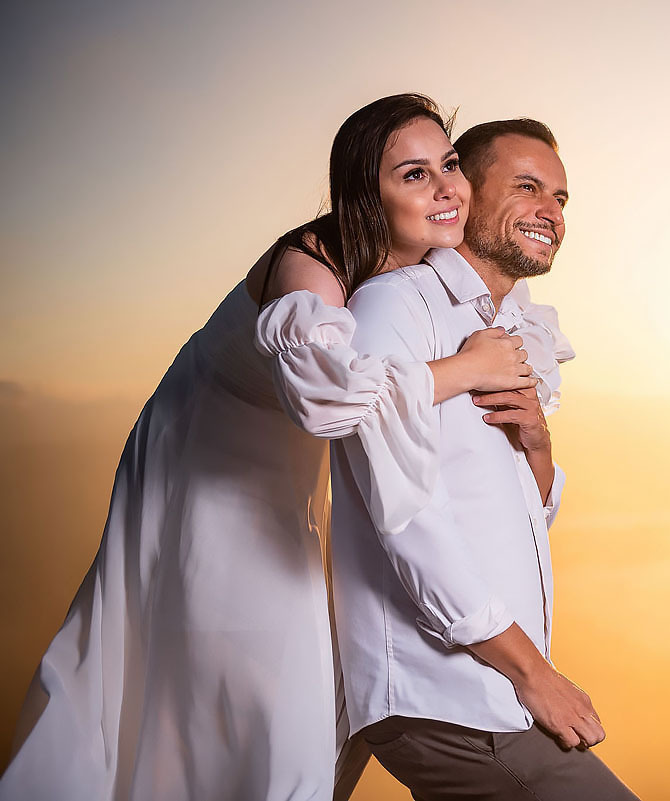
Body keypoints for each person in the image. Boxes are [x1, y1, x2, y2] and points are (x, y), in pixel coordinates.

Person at [0, 94, 563, 801]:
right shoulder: (313, 263)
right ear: (367, 192)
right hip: (208, 466)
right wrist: (468, 370)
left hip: (295, 482)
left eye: (448, 165)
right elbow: (330, 402)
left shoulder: (417, 266)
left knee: (322, 683)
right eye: (413, 175)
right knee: (264, 697)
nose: (448, 186)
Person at [331, 119, 639, 800]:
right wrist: (535, 674)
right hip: (447, 698)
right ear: (465, 192)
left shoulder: (511, 328)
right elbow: (410, 521)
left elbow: (501, 521)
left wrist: (537, 447)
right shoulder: (395, 306)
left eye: (560, 198)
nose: (550, 213)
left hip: (485, 694)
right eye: (527, 187)